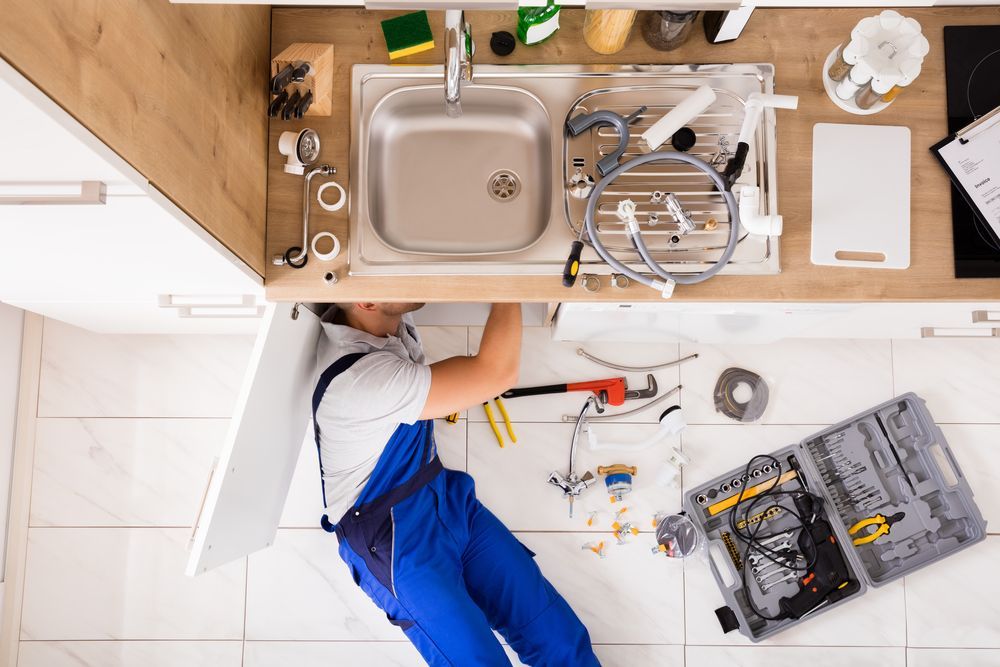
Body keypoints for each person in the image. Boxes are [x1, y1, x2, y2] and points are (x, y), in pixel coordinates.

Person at [312, 302, 600, 667]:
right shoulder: (360, 379)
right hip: (394, 545)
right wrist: (510, 283)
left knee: (559, 638)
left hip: (446, 500)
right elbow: (495, 373)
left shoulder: (384, 321)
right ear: (366, 302)